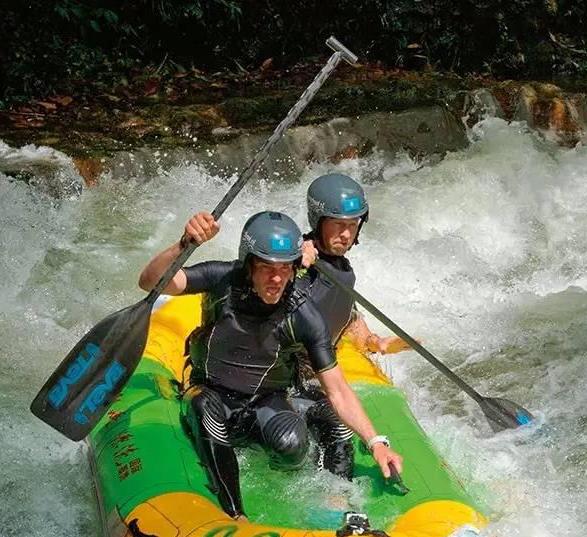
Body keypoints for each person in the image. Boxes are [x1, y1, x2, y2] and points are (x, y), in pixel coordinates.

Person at [137, 209, 402, 518]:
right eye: (266, 268)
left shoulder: (304, 314)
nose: (276, 279)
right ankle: (235, 515)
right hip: (210, 392)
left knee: (292, 445)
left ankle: (332, 498)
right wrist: (184, 243)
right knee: (204, 408)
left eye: (285, 269)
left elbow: (338, 391)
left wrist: (376, 442)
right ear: (249, 265)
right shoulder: (221, 278)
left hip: (266, 401)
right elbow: (150, 281)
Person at [293, 173, 412, 476]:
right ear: (318, 221)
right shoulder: (298, 260)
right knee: (336, 430)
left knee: (335, 427)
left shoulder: (343, 271)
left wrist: (377, 343)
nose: (346, 234)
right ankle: (335, 504)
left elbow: (348, 317)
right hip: (279, 379)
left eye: (353, 225)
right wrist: (295, 260)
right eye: (338, 225)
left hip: (312, 377)